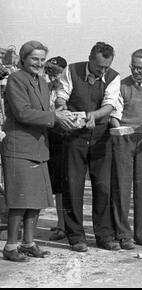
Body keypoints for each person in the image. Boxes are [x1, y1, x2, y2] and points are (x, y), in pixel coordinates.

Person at [2, 41, 74, 262]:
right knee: (19, 200)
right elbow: (23, 113)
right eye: (35, 59)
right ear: (23, 59)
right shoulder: (16, 79)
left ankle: (29, 243)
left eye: (42, 59)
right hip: (19, 147)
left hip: (39, 146)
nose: (39, 63)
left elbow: (45, 112)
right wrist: (54, 117)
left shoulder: (42, 82)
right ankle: (11, 246)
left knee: (36, 200)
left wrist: (61, 114)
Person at [55, 42, 122, 253]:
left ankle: (104, 235)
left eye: (106, 67)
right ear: (90, 59)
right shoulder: (72, 70)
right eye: (100, 66)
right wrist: (61, 105)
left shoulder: (113, 77)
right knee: (72, 186)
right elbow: (62, 94)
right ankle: (75, 236)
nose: (103, 71)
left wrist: (95, 115)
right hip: (74, 136)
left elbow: (110, 105)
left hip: (100, 137)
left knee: (103, 187)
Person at [109, 49, 142, 250]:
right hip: (124, 137)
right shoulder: (121, 86)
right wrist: (118, 128)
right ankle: (123, 234)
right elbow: (115, 114)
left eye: (140, 68)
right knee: (122, 188)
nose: (136, 71)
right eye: (133, 67)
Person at [44, 56, 68, 241]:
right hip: (42, 135)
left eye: (55, 71)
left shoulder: (64, 89)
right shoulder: (41, 85)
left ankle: (62, 225)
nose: (51, 75)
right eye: (48, 70)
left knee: (60, 184)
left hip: (59, 137)